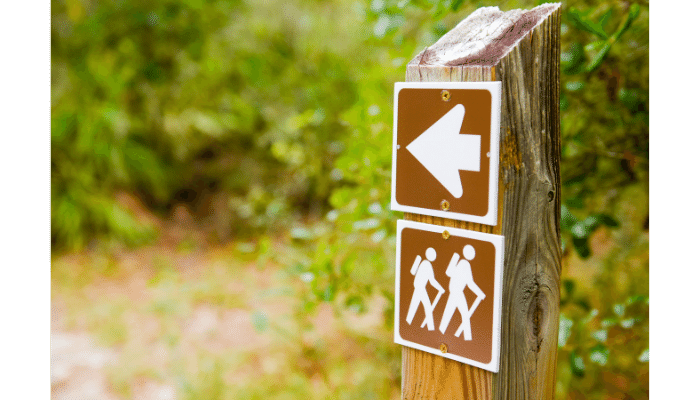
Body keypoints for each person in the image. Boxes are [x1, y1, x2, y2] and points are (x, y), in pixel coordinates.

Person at [439, 244, 485, 340]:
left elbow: (468, 282)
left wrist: (479, 293)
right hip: (457, 293)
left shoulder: (461, 263)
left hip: (454, 292)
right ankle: (467, 338)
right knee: (464, 314)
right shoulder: (465, 264)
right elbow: (470, 283)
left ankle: (441, 331)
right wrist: (479, 293)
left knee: (449, 314)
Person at [406, 247, 445, 331]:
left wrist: (440, 288)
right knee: (427, 307)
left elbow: (431, 280)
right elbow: (432, 280)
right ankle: (430, 328)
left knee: (414, 307)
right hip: (420, 288)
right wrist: (440, 288)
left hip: (418, 287)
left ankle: (408, 322)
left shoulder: (424, 263)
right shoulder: (427, 264)